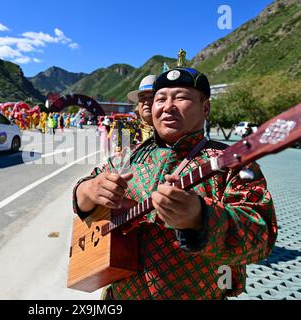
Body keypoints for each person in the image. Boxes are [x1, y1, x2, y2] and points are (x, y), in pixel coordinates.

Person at [72, 67, 277, 300]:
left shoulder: (234, 163)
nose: (168, 106)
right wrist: (86, 191)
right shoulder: (129, 158)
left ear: (206, 108)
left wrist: (200, 217)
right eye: (160, 99)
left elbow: (261, 236)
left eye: (181, 98)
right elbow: (86, 192)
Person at [129, 75, 156, 144]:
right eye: (142, 97)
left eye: (151, 97)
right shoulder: (126, 130)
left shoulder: (170, 131)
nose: (147, 102)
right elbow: (121, 152)